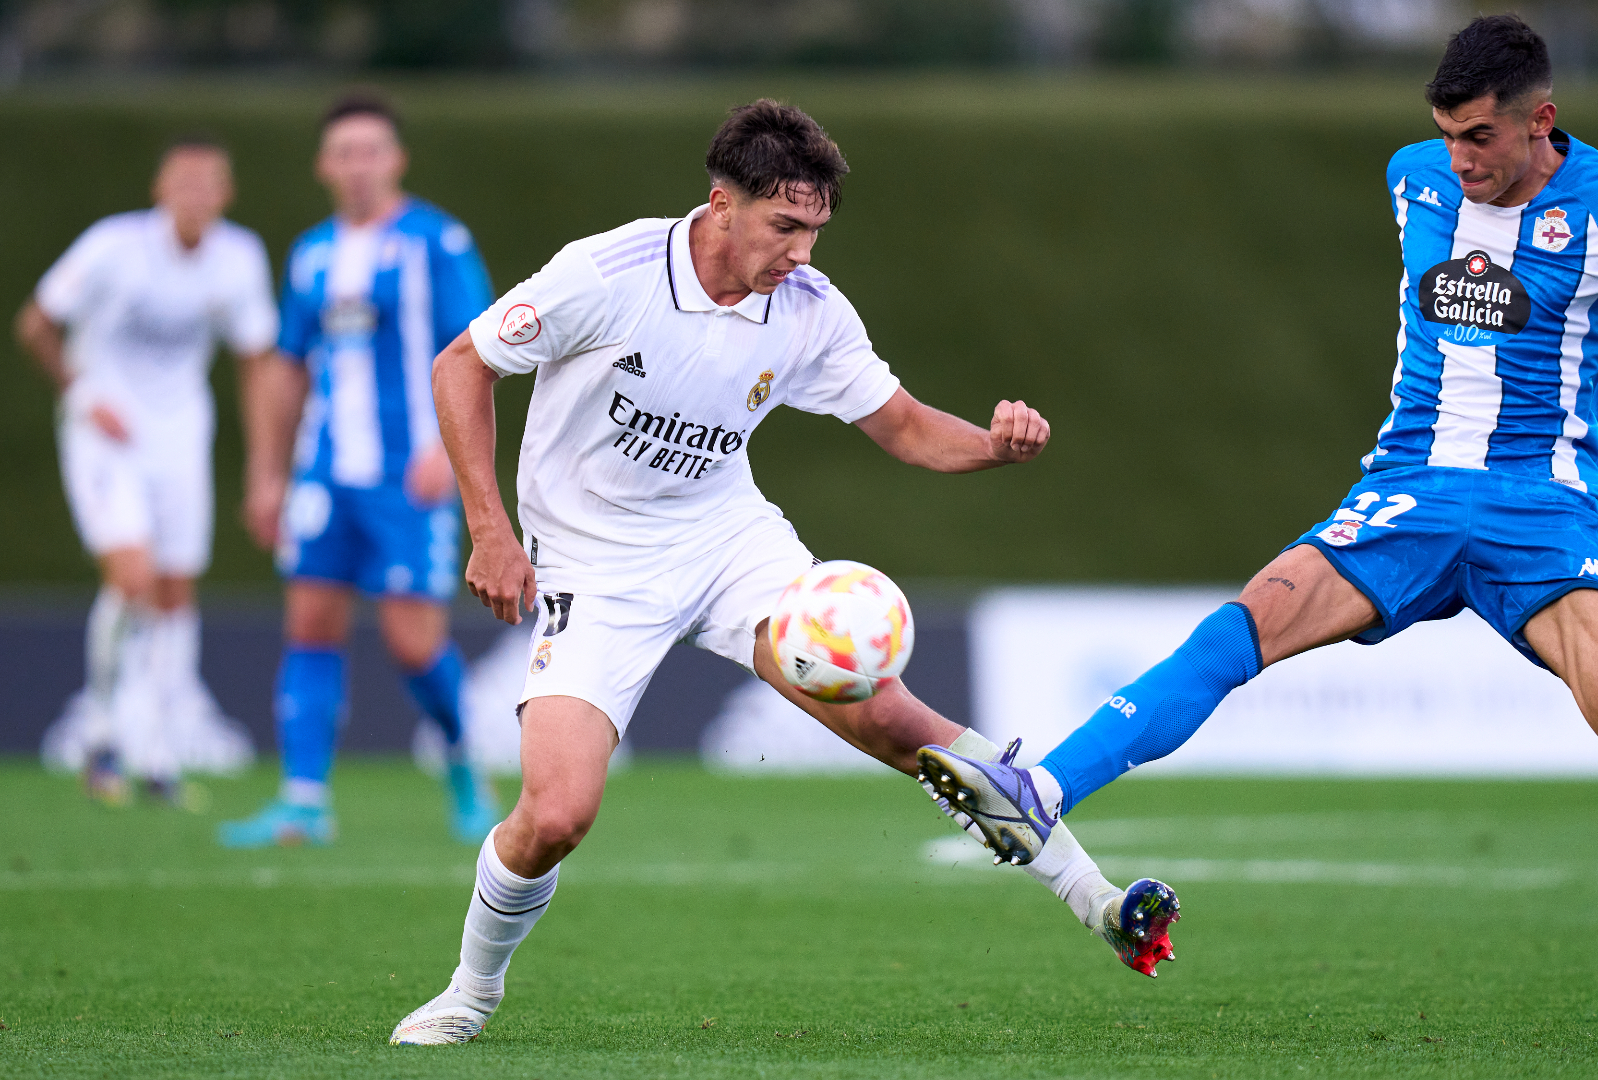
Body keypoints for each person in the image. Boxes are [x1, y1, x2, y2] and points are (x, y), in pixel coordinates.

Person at [919, 15, 1598, 1049]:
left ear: (1542, 122)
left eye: (1481, 140)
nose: (1460, 160)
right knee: (1248, 622)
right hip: (1405, 496)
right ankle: (1037, 790)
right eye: (1448, 135)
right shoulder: (1413, 177)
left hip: (1539, 512)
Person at [389, 100, 1166, 1047]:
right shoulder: (609, 273)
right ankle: (471, 992)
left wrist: (996, 448)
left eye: (816, 230)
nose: (802, 253)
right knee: (557, 813)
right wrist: (489, 530)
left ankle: (1099, 902)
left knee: (891, 718)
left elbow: (909, 427)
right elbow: (462, 365)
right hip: (595, 565)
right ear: (721, 203)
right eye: (784, 227)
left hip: (728, 541)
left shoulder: (809, 310)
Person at [218, 92, 501, 848]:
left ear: (396, 159)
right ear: (324, 165)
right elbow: (286, 369)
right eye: (344, 151)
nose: (358, 165)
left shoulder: (436, 242)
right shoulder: (310, 252)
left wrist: (446, 450)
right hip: (324, 474)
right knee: (310, 624)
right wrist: (267, 476)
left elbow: (476, 353)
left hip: (406, 476)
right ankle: (304, 800)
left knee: (412, 641)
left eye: (371, 150)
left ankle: (463, 765)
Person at [15, 135, 279, 806]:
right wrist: (81, 396)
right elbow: (36, 323)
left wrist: (263, 467)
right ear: (160, 190)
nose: (195, 196)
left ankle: (157, 757)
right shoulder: (113, 246)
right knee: (132, 578)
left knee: (174, 591)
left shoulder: (239, 258)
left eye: (208, 183)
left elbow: (255, 364)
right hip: (107, 435)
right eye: (182, 182)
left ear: (226, 194)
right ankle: (104, 734)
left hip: (180, 436)